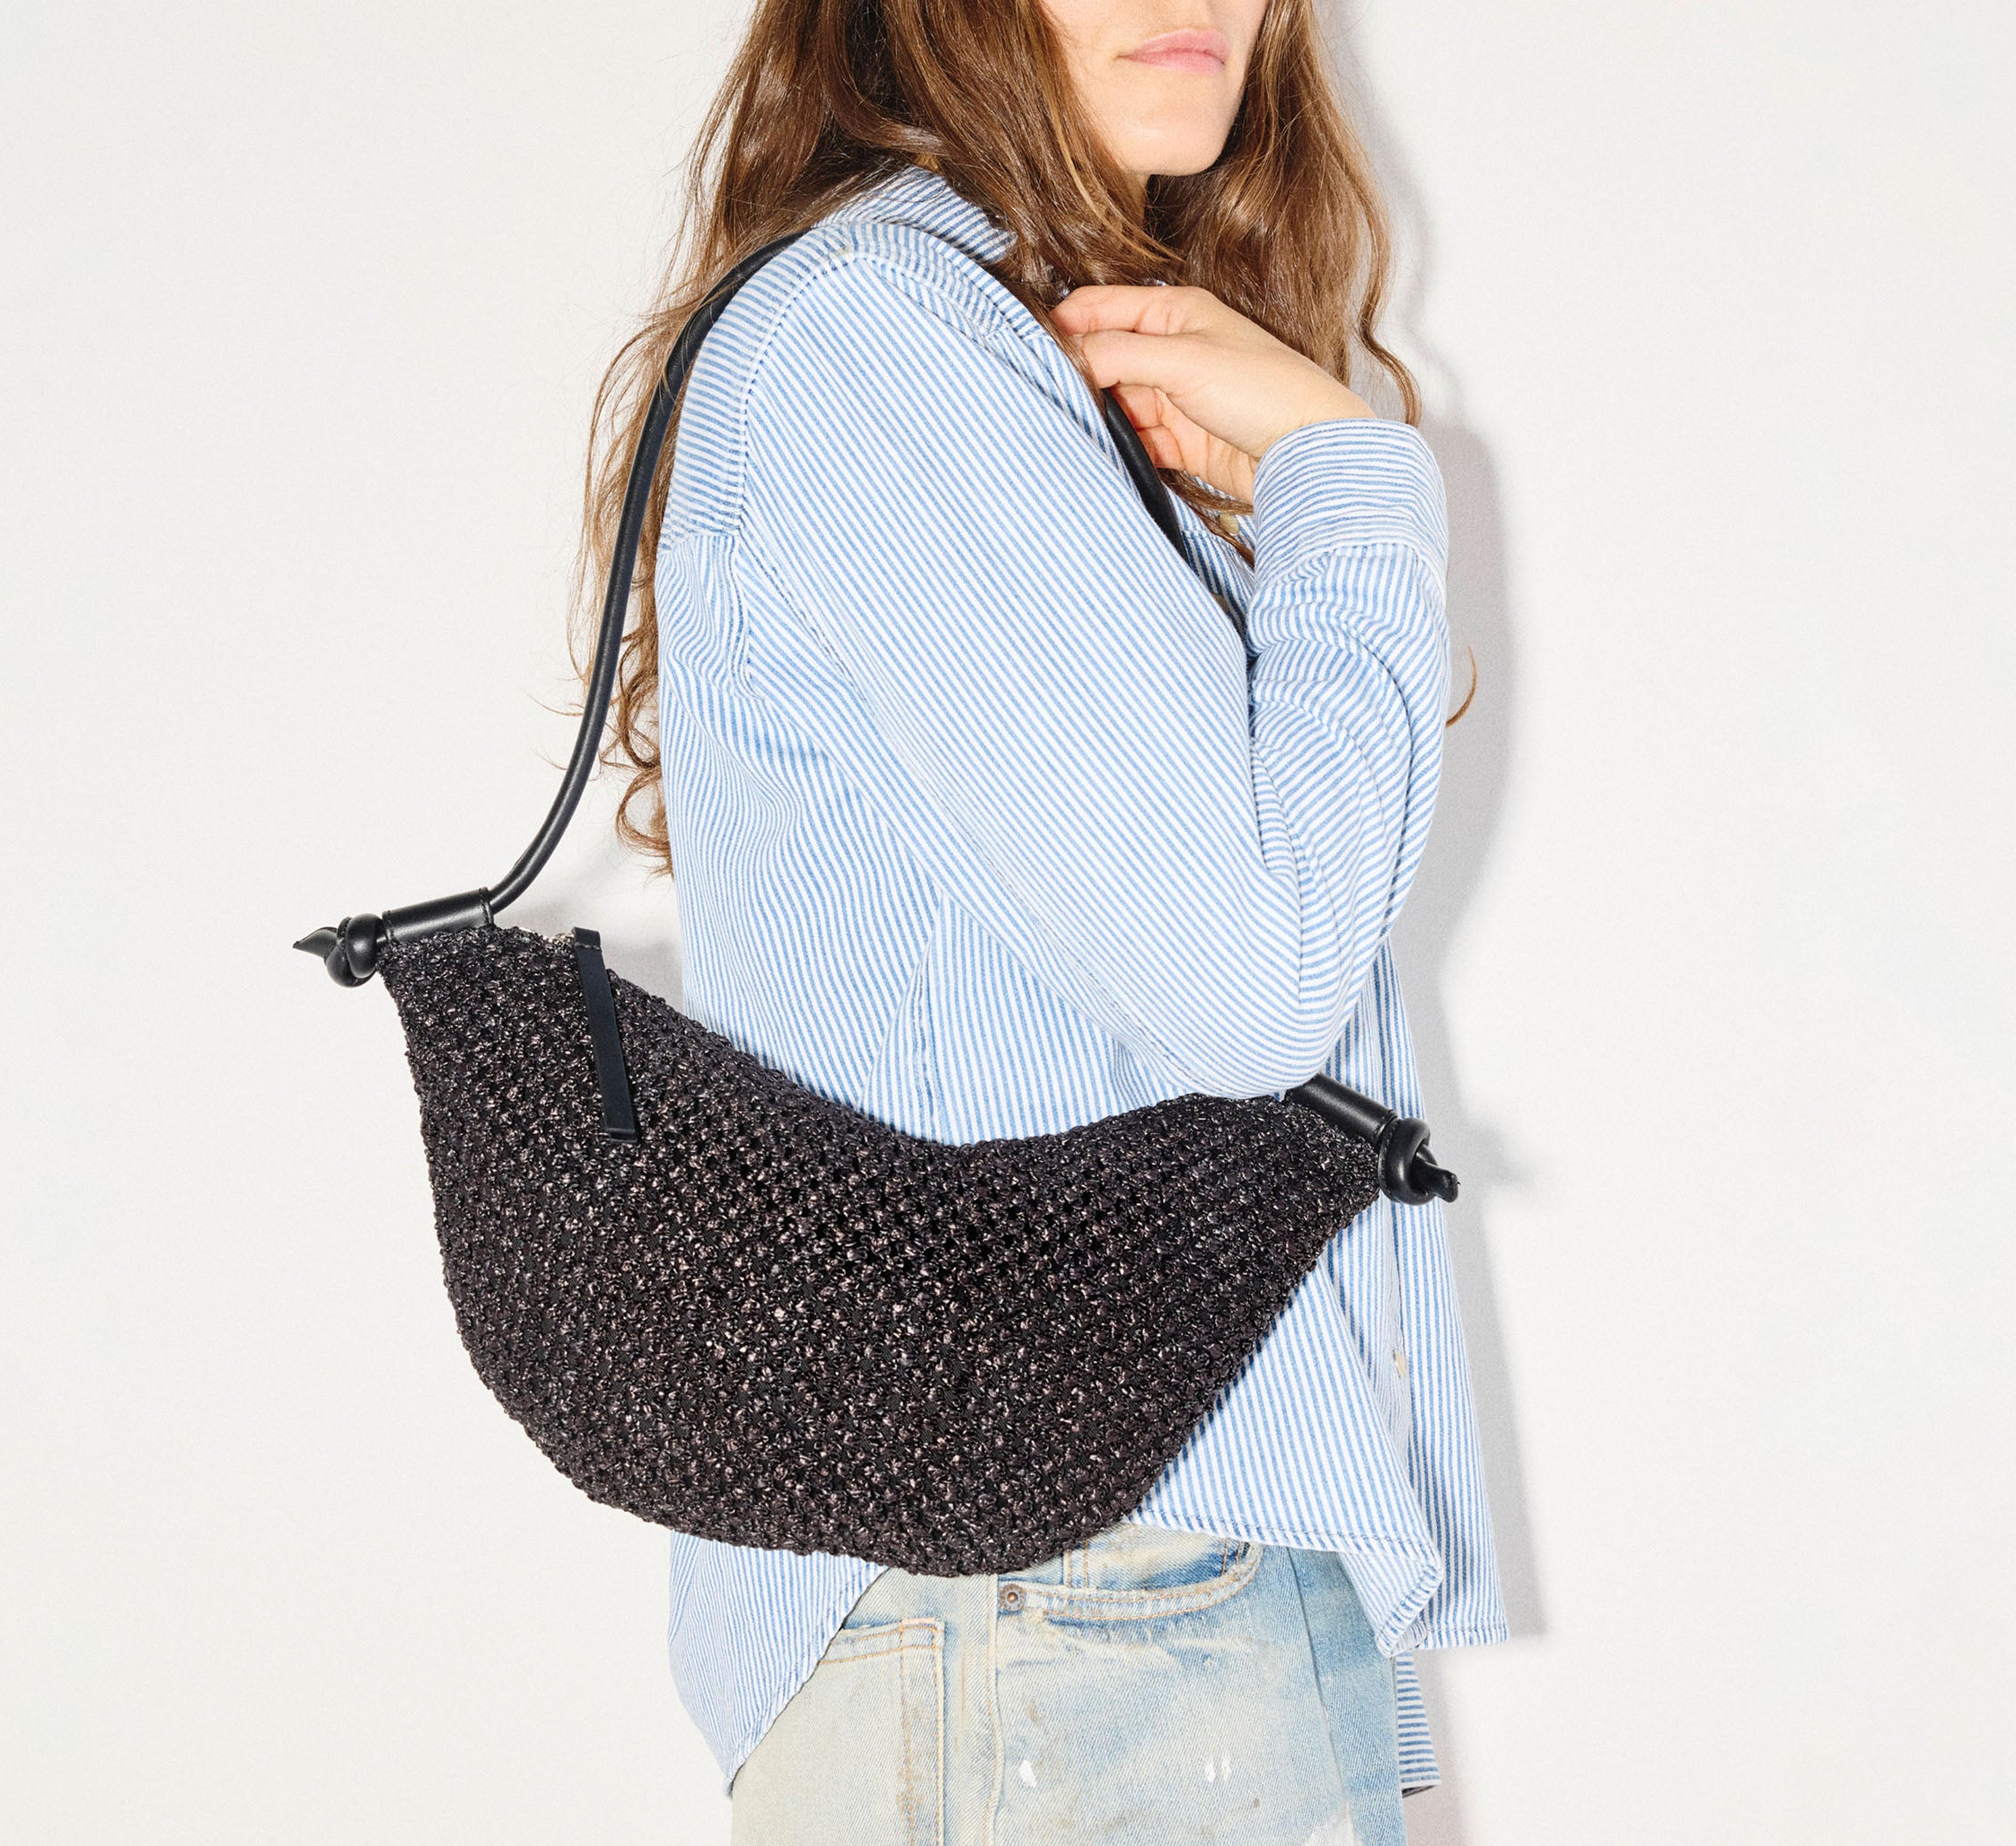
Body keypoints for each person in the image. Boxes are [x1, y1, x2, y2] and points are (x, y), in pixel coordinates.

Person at [576, 2, 1506, 1838]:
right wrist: (1351, 475)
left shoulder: (973, 348)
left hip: (1085, 1599)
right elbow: (1255, 981)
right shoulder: (881, 335)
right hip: (1071, 1607)